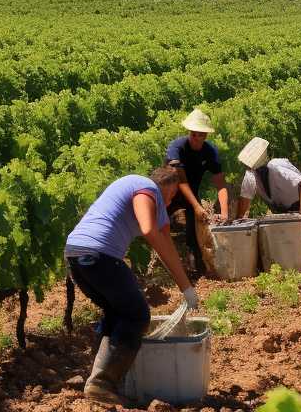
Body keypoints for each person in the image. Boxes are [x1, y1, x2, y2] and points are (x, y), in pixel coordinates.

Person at [64, 165, 197, 406]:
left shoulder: (147, 193)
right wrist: (186, 288)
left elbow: (165, 240)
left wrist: (186, 287)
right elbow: (149, 229)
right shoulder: (146, 188)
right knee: (136, 316)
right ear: (167, 186)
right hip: (99, 255)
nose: (171, 200)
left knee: (117, 314)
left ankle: (105, 380)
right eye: (173, 194)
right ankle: (102, 384)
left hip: (76, 254)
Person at [164, 108, 230, 277]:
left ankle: (195, 266)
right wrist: (196, 206)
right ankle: (161, 263)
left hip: (190, 193)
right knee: (160, 224)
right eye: (194, 134)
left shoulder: (210, 151)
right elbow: (181, 180)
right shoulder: (176, 147)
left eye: (201, 135)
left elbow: (221, 184)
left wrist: (224, 213)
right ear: (189, 132)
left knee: (194, 232)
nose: (197, 138)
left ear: (205, 135)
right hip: (168, 192)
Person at [233, 141, 301, 242]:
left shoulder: (276, 167)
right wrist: (237, 225)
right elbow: (244, 202)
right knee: (283, 238)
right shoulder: (250, 176)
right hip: (281, 209)